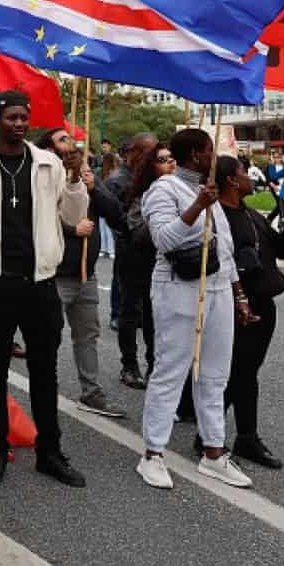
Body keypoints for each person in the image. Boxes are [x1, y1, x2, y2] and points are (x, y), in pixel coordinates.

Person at [0, 90, 88, 488]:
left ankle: (51, 452)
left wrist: (76, 177)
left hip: (40, 284)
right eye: (12, 117)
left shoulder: (48, 164)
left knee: (45, 371)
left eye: (24, 117)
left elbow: (74, 217)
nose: (20, 124)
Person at [136, 129, 254, 491]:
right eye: (209, 152)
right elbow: (165, 239)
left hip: (217, 288)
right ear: (195, 155)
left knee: (215, 375)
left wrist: (240, 298)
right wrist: (197, 206)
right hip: (178, 287)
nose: (214, 158)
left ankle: (214, 453)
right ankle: (153, 454)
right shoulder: (165, 189)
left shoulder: (212, 193)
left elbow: (226, 250)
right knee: (171, 372)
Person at [217, 155, 284, 469]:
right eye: (243, 172)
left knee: (246, 372)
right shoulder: (219, 218)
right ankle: (214, 436)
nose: (250, 176)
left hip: (263, 303)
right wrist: (238, 299)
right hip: (238, 306)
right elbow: (223, 265)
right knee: (236, 373)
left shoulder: (250, 214)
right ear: (230, 180)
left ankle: (242, 436)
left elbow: (279, 249)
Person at [35, 129, 126, 419]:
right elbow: (38, 218)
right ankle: (43, 392)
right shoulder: (44, 177)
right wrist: (72, 230)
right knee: (47, 337)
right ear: (50, 147)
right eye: (62, 139)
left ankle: (91, 392)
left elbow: (116, 214)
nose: (69, 143)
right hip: (56, 274)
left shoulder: (88, 175)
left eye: (70, 140)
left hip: (85, 274)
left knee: (87, 335)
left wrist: (93, 188)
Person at [110, 135, 165, 390]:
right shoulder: (119, 181)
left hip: (157, 256)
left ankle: (155, 363)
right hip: (132, 255)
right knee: (130, 310)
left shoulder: (160, 180)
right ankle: (129, 365)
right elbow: (117, 220)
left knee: (155, 313)